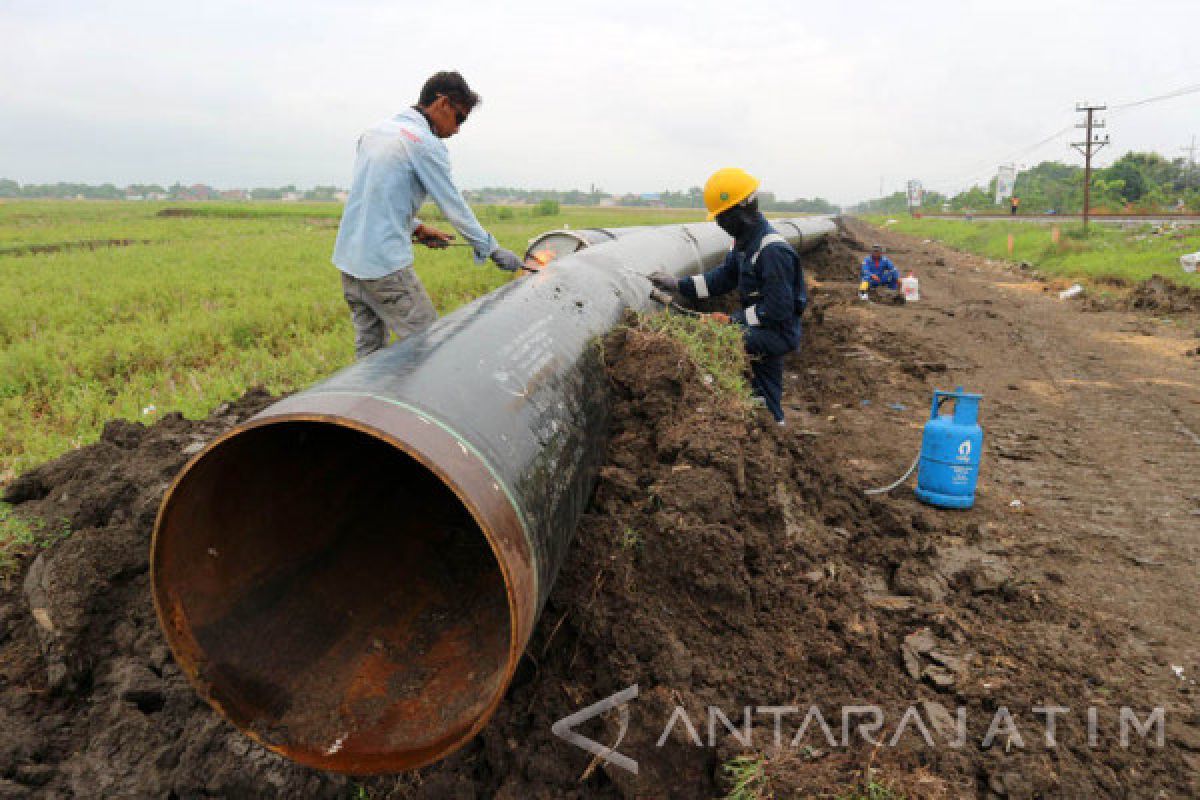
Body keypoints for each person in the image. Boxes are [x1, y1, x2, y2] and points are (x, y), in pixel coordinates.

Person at [332, 71, 524, 359]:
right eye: (459, 118)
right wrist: (492, 249)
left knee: (369, 355)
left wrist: (418, 229)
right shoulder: (425, 143)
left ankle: (365, 402)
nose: (458, 129)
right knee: (430, 351)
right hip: (385, 268)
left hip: (349, 263)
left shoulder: (375, 132)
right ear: (442, 103)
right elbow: (454, 206)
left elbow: (375, 199)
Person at [648, 168, 805, 426]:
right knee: (764, 386)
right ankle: (769, 420)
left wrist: (733, 322)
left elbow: (778, 308)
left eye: (721, 217)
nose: (719, 223)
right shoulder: (744, 243)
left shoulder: (771, 251)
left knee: (715, 340)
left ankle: (726, 413)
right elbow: (723, 279)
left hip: (777, 331)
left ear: (738, 213)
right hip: (763, 327)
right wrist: (679, 285)